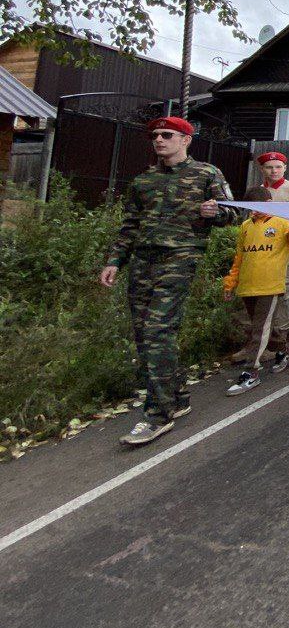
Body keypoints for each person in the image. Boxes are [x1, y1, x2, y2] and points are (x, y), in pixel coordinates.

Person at [101, 116, 239, 446]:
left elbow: (234, 213)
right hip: (142, 261)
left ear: (185, 140)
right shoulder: (143, 181)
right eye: (155, 136)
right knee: (142, 331)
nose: (159, 140)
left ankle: (157, 414)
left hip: (180, 257)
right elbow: (129, 227)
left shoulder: (207, 173)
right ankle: (176, 396)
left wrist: (215, 213)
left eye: (167, 135)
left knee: (157, 330)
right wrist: (114, 261)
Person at [222, 187, 289, 395]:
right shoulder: (245, 227)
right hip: (248, 286)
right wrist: (230, 284)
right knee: (262, 328)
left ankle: (250, 372)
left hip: (270, 286)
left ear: (270, 202)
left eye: (261, 206)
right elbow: (239, 258)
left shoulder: (282, 222)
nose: (257, 211)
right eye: (253, 207)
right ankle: (284, 350)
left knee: (259, 329)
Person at [229, 152, 289, 363]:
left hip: (283, 255)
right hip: (257, 257)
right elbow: (249, 225)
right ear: (262, 170)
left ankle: (278, 342)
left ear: (284, 168)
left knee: (281, 301)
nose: (273, 171)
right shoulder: (257, 192)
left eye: (277, 167)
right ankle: (254, 344)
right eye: (269, 167)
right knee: (253, 304)